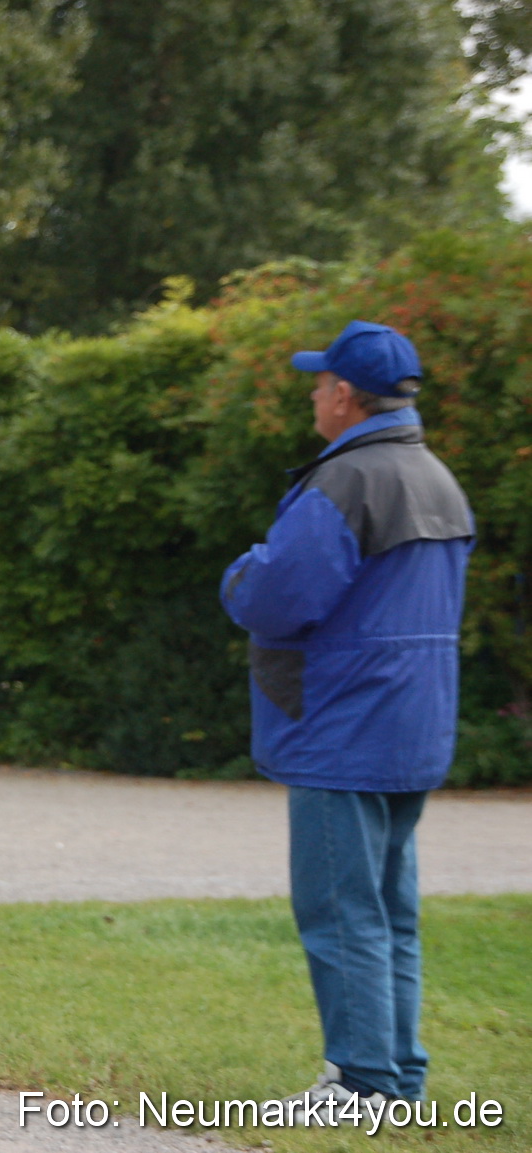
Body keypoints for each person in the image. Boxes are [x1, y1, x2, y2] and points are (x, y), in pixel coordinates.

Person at [220, 321, 472, 1116]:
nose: (312, 393)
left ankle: (359, 1082)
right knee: (390, 913)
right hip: (411, 723)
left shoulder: (349, 480)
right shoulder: (436, 477)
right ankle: (398, 1079)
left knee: (340, 911)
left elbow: (277, 594)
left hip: (344, 725)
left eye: (320, 381)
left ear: (346, 396)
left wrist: (239, 573)